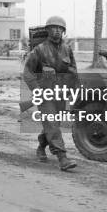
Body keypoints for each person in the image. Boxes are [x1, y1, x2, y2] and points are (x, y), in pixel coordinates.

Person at [23, 16, 79, 171]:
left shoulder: (67, 49)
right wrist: (37, 90)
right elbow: (27, 73)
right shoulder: (39, 50)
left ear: (63, 31)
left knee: (53, 124)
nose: (57, 30)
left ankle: (41, 146)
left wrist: (75, 91)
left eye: (60, 28)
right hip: (45, 93)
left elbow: (74, 71)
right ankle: (62, 158)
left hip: (61, 93)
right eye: (53, 28)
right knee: (52, 123)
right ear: (47, 30)